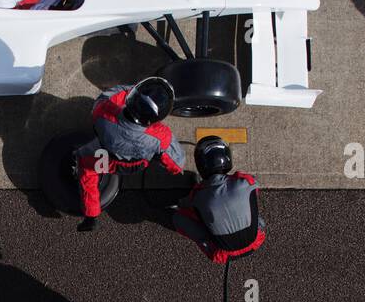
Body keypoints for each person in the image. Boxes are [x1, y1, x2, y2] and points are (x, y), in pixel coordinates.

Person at [76, 78, 184, 231]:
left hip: (105, 158)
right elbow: (177, 165)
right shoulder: (161, 136)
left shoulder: (103, 111)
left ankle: (91, 216)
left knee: (87, 172)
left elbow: (107, 97)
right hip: (134, 166)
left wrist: (138, 91)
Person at [172, 136, 265, 263]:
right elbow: (255, 189)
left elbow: (185, 205)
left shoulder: (198, 196)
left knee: (177, 218)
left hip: (222, 254)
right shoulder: (246, 181)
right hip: (256, 241)